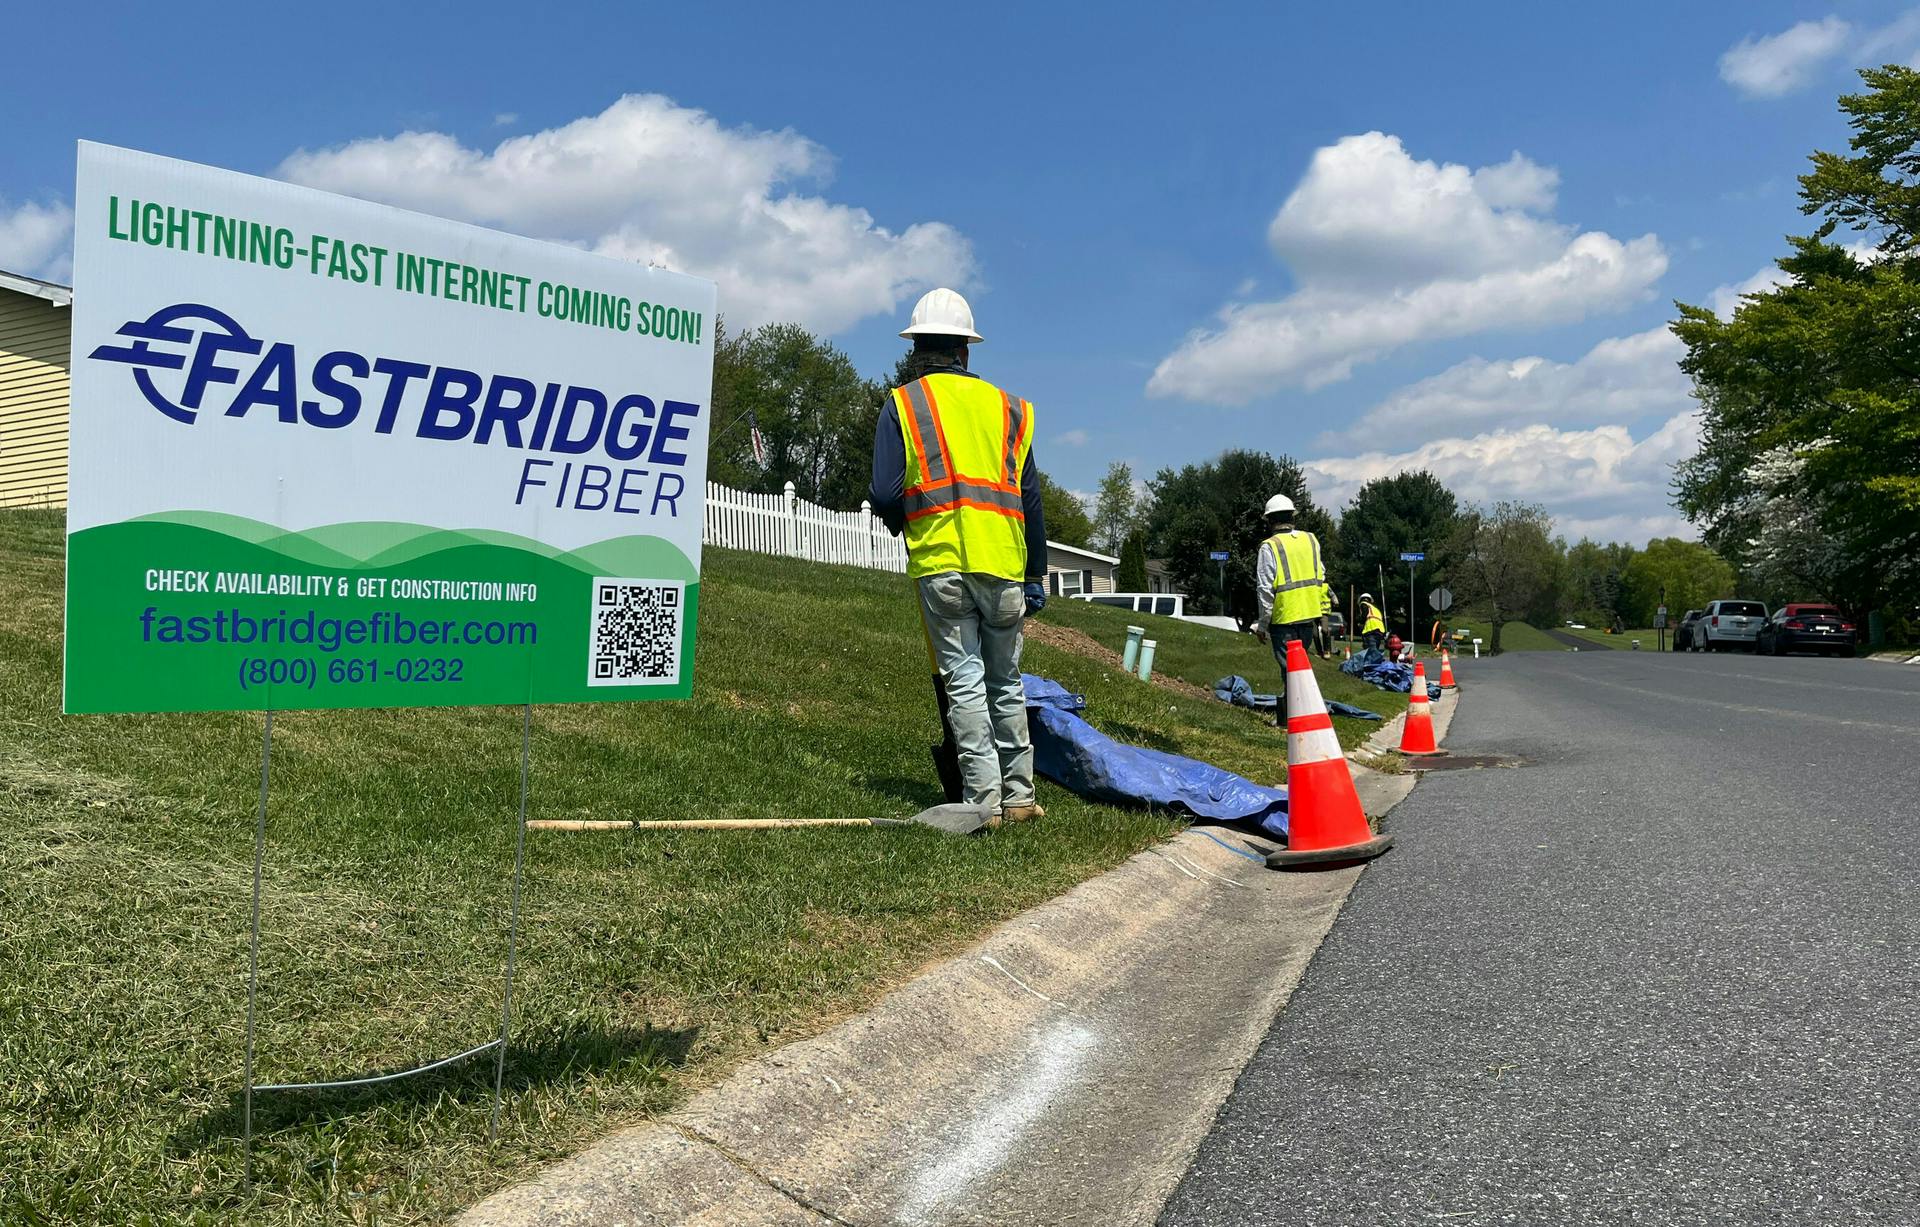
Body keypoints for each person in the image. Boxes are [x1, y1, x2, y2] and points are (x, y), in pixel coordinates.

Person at [869, 288, 1049, 824]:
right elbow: (1030, 496)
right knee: (1006, 681)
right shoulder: (1012, 409)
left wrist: (905, 518)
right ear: (967, 351)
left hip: (942, 562)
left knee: (964, 681)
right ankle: (1021, 798)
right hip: (1005, 564)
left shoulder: (904, 404)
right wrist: (1036, 572)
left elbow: (883, 492)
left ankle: (983, 802)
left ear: (917, 349)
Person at [1252, 494, 1331, 703]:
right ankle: (1299, 708)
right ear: (1292, 516)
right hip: (1308, 617)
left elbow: (1265, 589)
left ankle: (1294, 714)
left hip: (1284, 618)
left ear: (1269, 520)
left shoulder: (1269, 546)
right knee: (1299, 669)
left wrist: (1262, 625)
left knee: (1290, 671)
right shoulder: (1310, 540)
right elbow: (1321, 575)